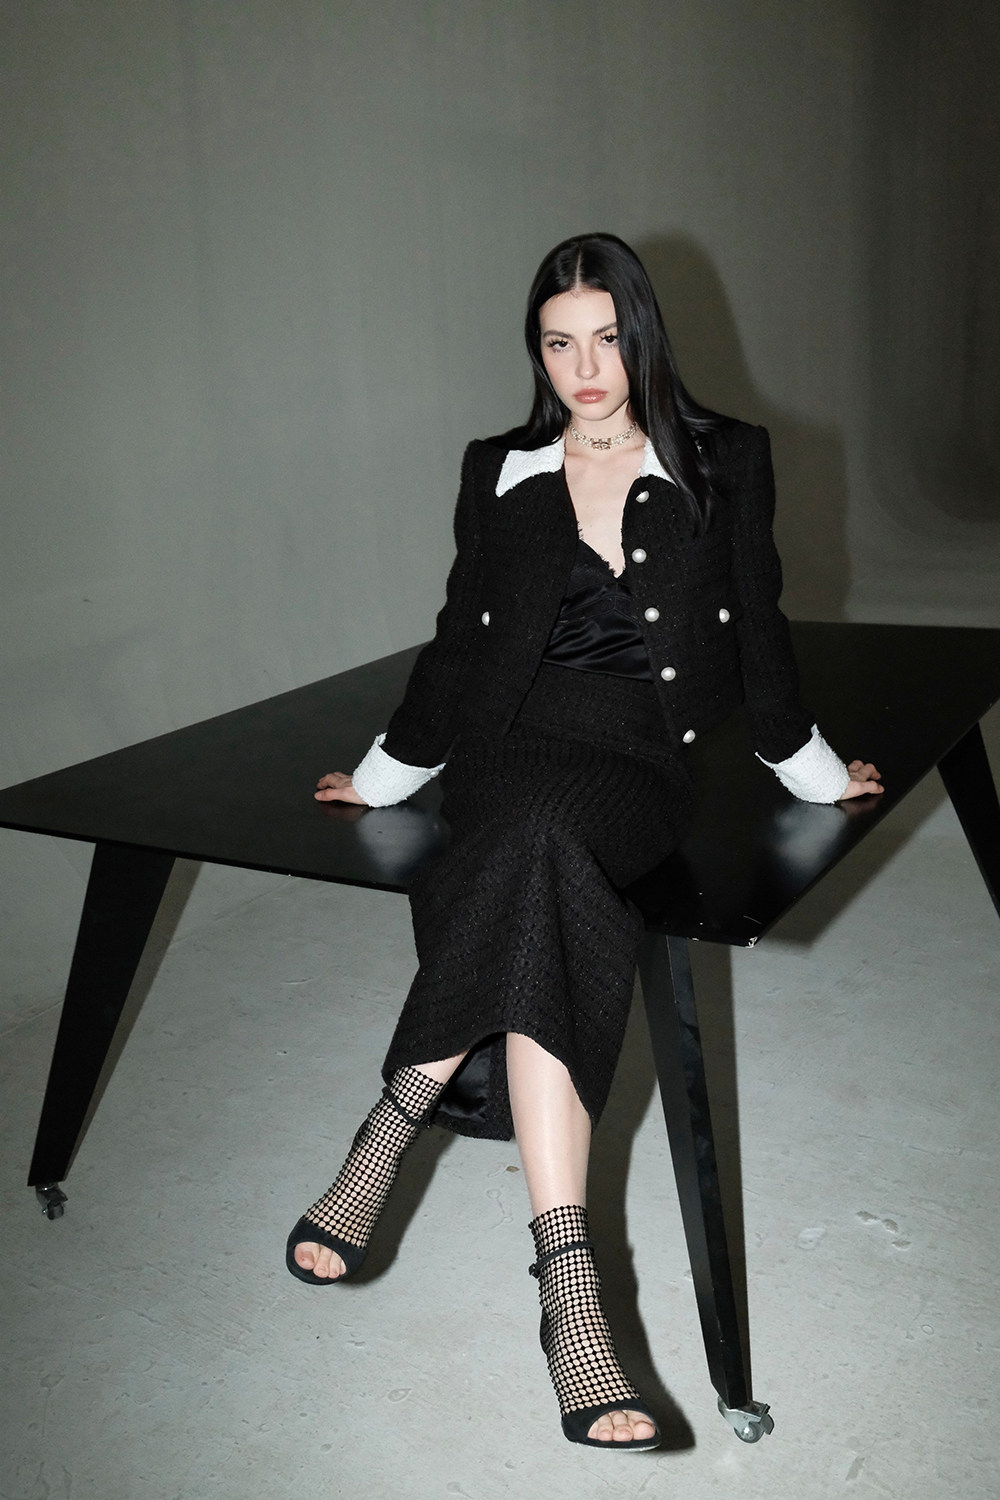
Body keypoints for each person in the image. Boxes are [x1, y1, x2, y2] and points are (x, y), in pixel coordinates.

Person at [285, 233, 883, 1450]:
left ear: (643, 335)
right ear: (537, 353)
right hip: (507, 747)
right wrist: (389, 773)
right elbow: (458, 642)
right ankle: (572, 1297)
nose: (585, 367)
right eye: (559, 344)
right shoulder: (499, 469)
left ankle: (391, 1123)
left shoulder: (722, 459)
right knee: (535, 854)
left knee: (544, 847)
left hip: (635, 760)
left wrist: (815, 772)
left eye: (606, 338)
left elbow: (759, 629)